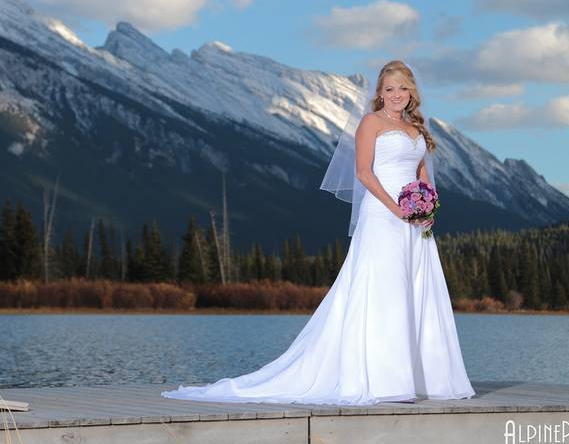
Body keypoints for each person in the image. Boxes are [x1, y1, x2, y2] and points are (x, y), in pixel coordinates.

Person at [160, 60, 475, 405]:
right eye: (389, 89)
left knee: (418, 290)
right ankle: (386, 381)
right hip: (383, 215)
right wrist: (396, 208)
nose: (396, 94)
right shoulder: (370, 123)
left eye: (402, 88)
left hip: (414, 223)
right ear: (380, 93)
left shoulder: (418, 127)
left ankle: (425, 379)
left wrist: (427, 209)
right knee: (385, 291)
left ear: (412, 92)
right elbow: (364, 173)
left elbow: (421, 174)